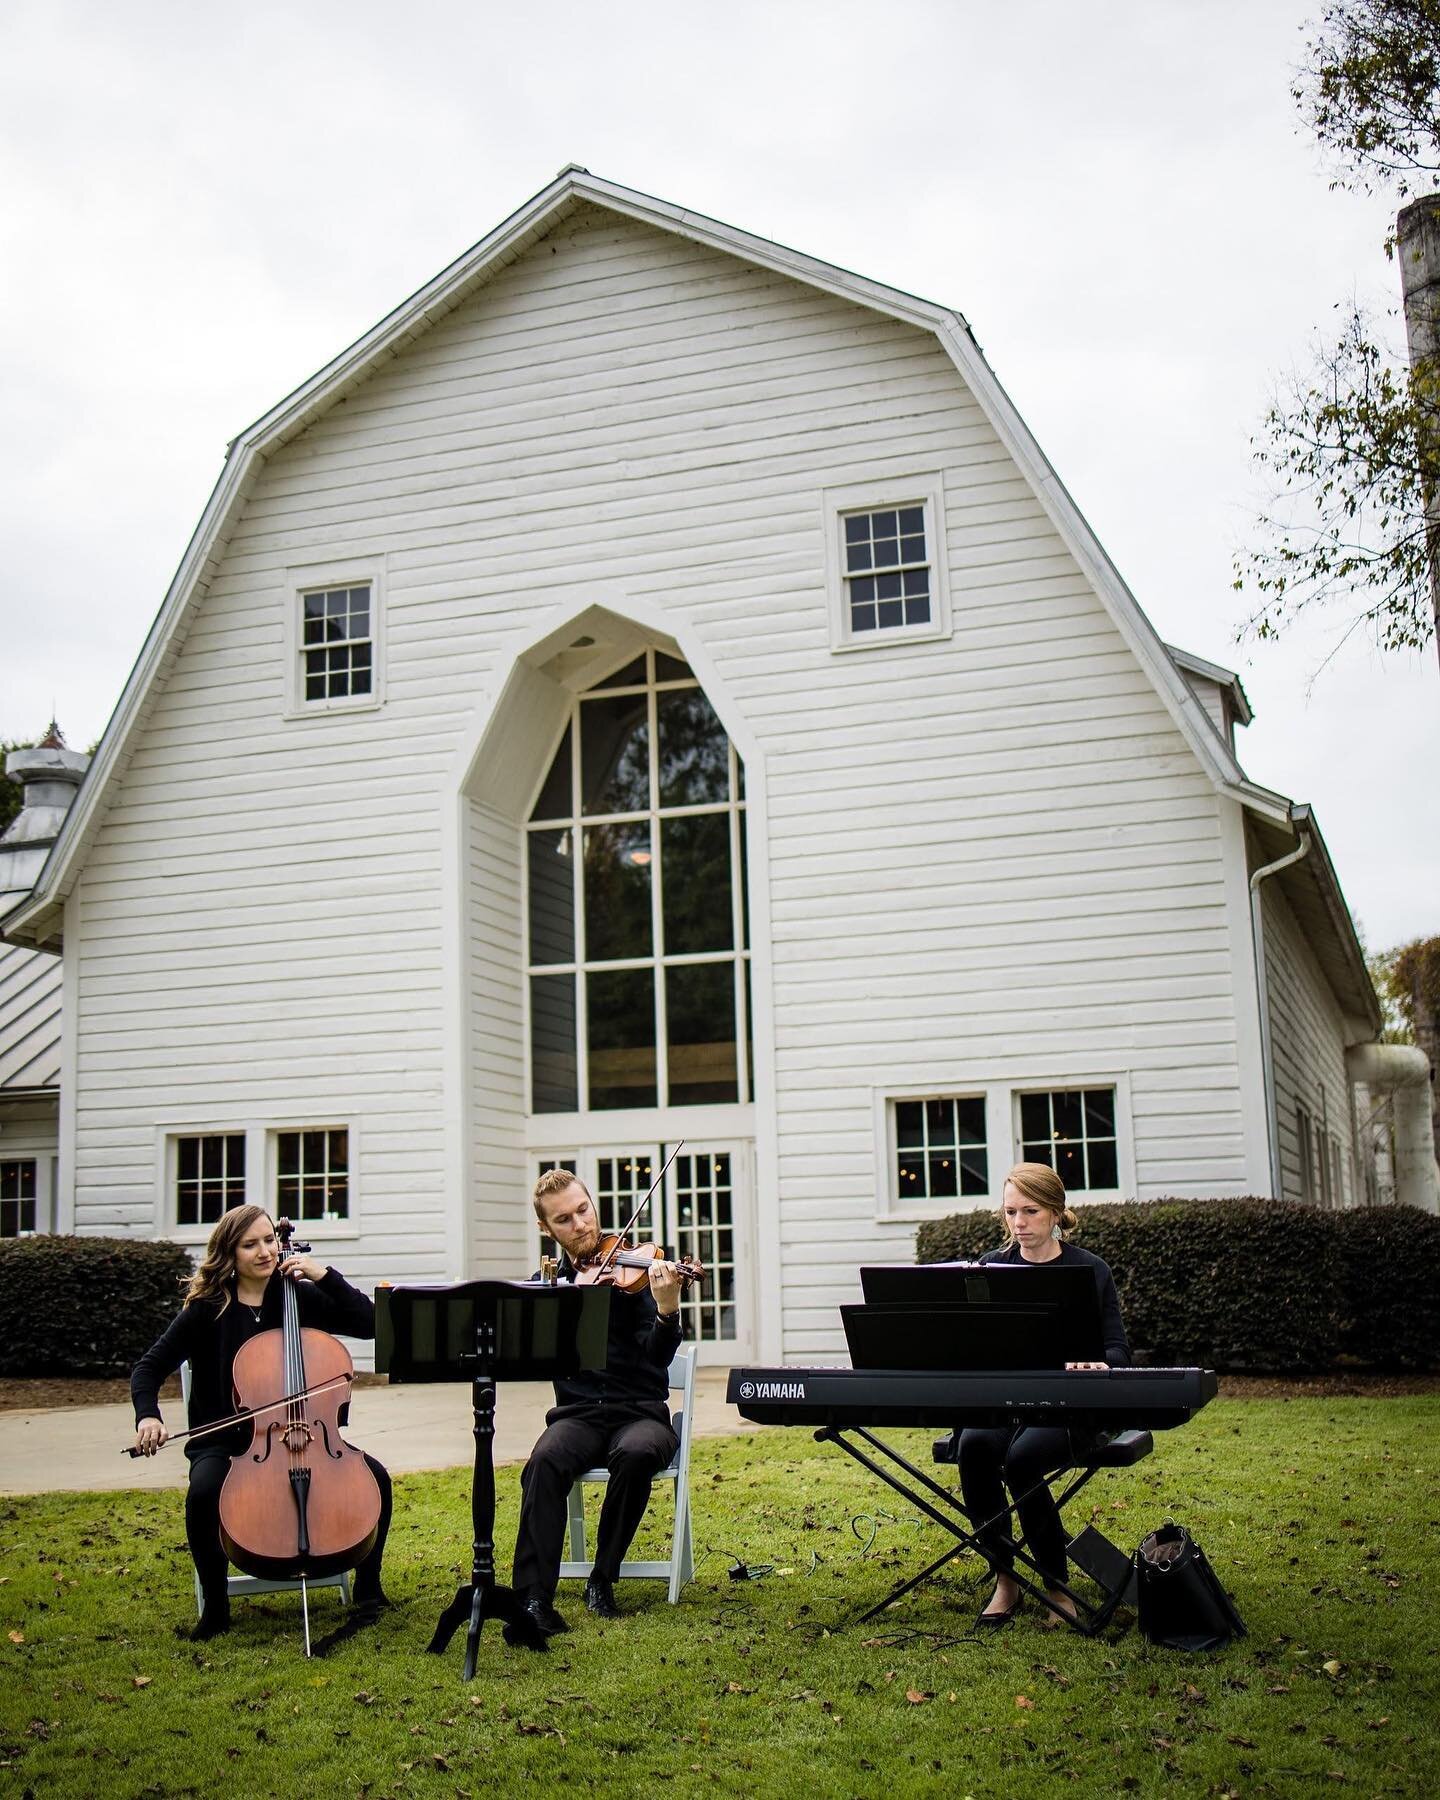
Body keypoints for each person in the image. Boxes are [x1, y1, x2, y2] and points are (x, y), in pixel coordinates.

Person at [130, 1204, 392, 1644]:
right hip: (224, 1442)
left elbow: (370, 1325)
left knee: (376, 1478)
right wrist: (148, 1416)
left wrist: (324, 1275)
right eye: (251, 1244)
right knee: (205, 1492)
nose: (266, 1251)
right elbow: (148, 1368)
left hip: (306, 1432)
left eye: (270, 1240)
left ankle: (370, 1588)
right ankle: (215, 1608)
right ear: (229, 1254)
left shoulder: (298, 1297)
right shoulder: (206, 1310)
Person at [508, 1169, 684, 1638]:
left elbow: (658, 1355)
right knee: (543, 1462)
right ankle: (532, 1599)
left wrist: (667, 1310)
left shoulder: (639, 1271)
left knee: (637, 1453)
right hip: (578, 1416)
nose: (581, 1224)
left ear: (593, 1204)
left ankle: (602, 1578)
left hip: (639, 1413)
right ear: (548, 1230)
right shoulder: (548, 1286)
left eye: (583, 1210)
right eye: (564, 1219)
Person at [957, 1161, 1130, 1629]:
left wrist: (1102, 1364)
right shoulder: (990, 1268)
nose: (1019, 1224)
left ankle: (1057, 1584)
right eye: (1011, 1212)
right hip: (1006, 1404)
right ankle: (1005, 1578)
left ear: (1056, 1212)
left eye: (1030, 1211)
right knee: (973, 1446)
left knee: (1023, 1459)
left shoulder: (1091, 1270)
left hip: (1070, 1407)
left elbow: (1118, 1349)